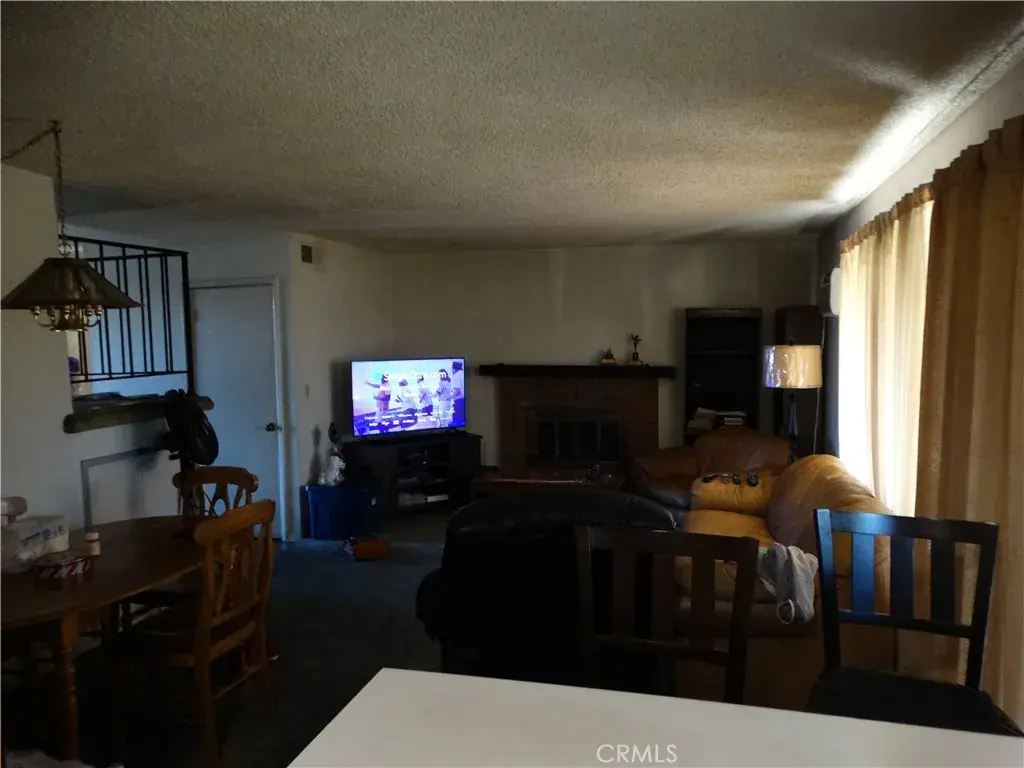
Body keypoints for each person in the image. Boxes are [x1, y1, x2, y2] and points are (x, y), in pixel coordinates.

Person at [450, 360, 466, 427]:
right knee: (462, 422)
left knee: (457, 424)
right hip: (464, 401)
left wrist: (449, 398)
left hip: (459, 401)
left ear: (454, 368)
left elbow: (457, 391)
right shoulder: (463, 374)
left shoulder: (456, 375)